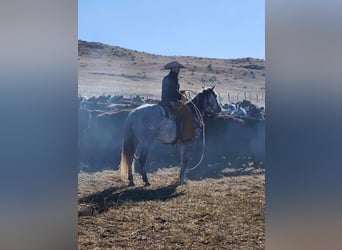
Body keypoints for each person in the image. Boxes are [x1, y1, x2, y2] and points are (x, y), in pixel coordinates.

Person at [161, 61, 196, 142]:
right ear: (173, 68)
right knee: (188, 115)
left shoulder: (167, 78)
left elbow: (170, 91)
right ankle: (186, 137)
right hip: (171, 102)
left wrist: (179, 93)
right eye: (178, 68)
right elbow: (173, 92)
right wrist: (181, 96)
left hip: (164, 101)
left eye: (179, 68)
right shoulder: (173, 78)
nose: (179, 70)